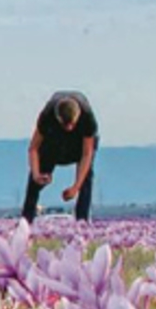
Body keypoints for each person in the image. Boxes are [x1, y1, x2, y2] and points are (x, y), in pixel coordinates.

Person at [21, 92, 99, 223]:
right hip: (53, 141)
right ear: (57, 118)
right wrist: (36, 174)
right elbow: (34, 148)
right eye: (65, 125)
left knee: (86, 177)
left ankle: (82, 221)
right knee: (35, 181)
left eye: (72, 125)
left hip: (79, 144)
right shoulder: (47, 116)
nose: (68, 128)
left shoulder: (87, 117)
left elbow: (87, 154)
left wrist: (76, 187)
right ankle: (26, 221)